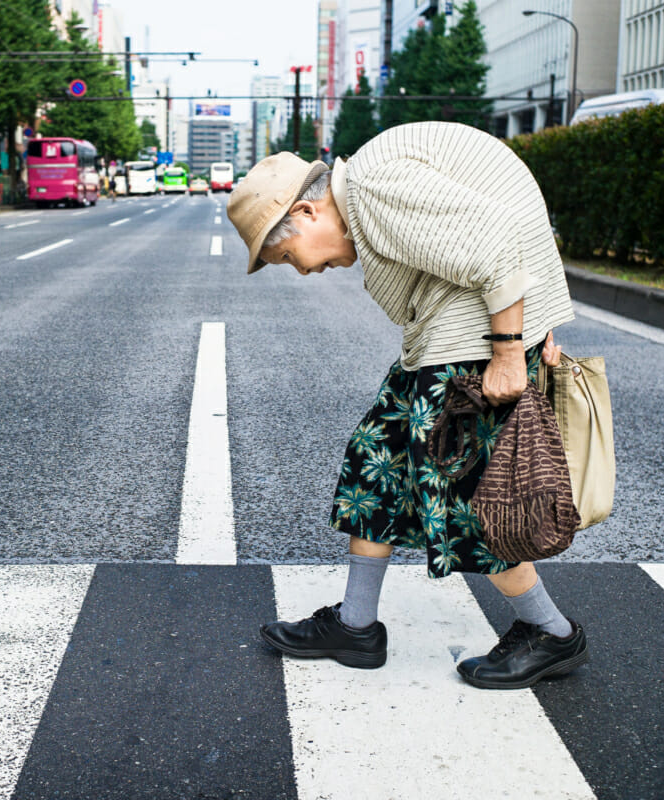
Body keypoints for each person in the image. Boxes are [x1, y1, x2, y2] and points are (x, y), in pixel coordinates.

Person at [227, 121, 588, 690]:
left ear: (306, 212)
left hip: (473, 341)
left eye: (288, 257)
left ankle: (551, 632)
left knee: (465, 495)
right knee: (377, 463)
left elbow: (494, 240)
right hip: (453, 331)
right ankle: (355, 626)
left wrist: (510, 350)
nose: (303, 271)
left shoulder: (372, 186)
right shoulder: (370, 190)